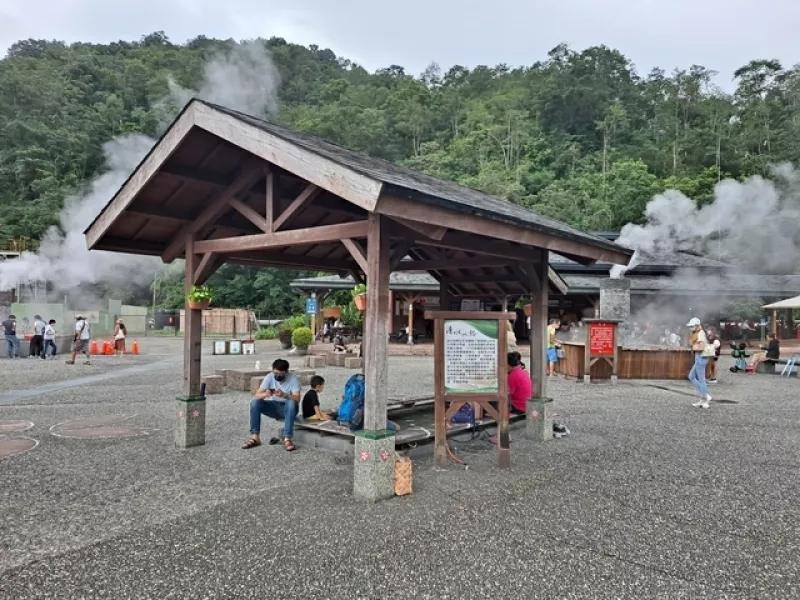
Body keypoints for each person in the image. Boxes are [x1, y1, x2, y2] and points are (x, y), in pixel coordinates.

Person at [242, 359, 300, 451]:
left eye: (280, 374)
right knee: (255, 402)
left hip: (289, 408)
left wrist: (284, 395)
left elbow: (297, 398)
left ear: (286, 372)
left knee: (291, 402)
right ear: (272, 370)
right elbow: (257, 394)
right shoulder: (269, 377)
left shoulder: (293, 378)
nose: (277, 376)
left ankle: (287, 438)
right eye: (275, 373)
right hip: (274, 406)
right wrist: (265, 394)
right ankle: (255, 437)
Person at [687, 317, 714, 408]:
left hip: (701, 357)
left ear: (697, 325)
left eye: (692, 326)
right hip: (699, 357)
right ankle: (704, 396)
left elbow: (702, 347)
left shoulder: (700, 333)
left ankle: (705, 398)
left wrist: (694, 347)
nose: (690, 328)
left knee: (701, 380)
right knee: (691, 376)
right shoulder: (697, 333)